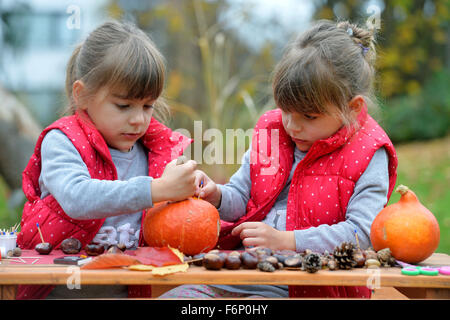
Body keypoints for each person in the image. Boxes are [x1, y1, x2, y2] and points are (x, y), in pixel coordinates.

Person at [159, 20, 398, 299]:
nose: (292, 126)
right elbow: (242, 197)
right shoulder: (272, 134)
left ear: (352, 107)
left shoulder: (368, 152)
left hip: (309, 289)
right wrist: (217, 197)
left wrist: (287, 241)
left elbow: (363, 234)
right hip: (239, 275)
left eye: (309, 116)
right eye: (286, 111)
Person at [16, 20, 202, 299]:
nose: (138, 119)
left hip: (127, 293)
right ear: (82, 95)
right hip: (59, 293)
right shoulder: (63, 142)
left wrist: (198, 192)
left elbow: (184, 223)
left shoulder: (154, 152)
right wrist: (157, 189)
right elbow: (77, 197)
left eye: (147, 106)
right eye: (124, 106)